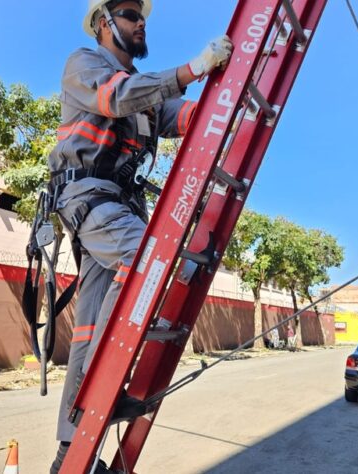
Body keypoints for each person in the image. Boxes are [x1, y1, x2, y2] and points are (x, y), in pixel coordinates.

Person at [47, 1, 232, 472]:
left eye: (141, 14)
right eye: (129, 13)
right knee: (149, 261)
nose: (140, 21)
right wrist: (194, 68)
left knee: (88, 328)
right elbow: (117, 98)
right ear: (103, 25)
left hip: (118, 205)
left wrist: (228, 90)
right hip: (89, 197)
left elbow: (187, 116)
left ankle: (71, 447)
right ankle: (104, 388)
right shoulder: (85, 64)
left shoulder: (148, 96)